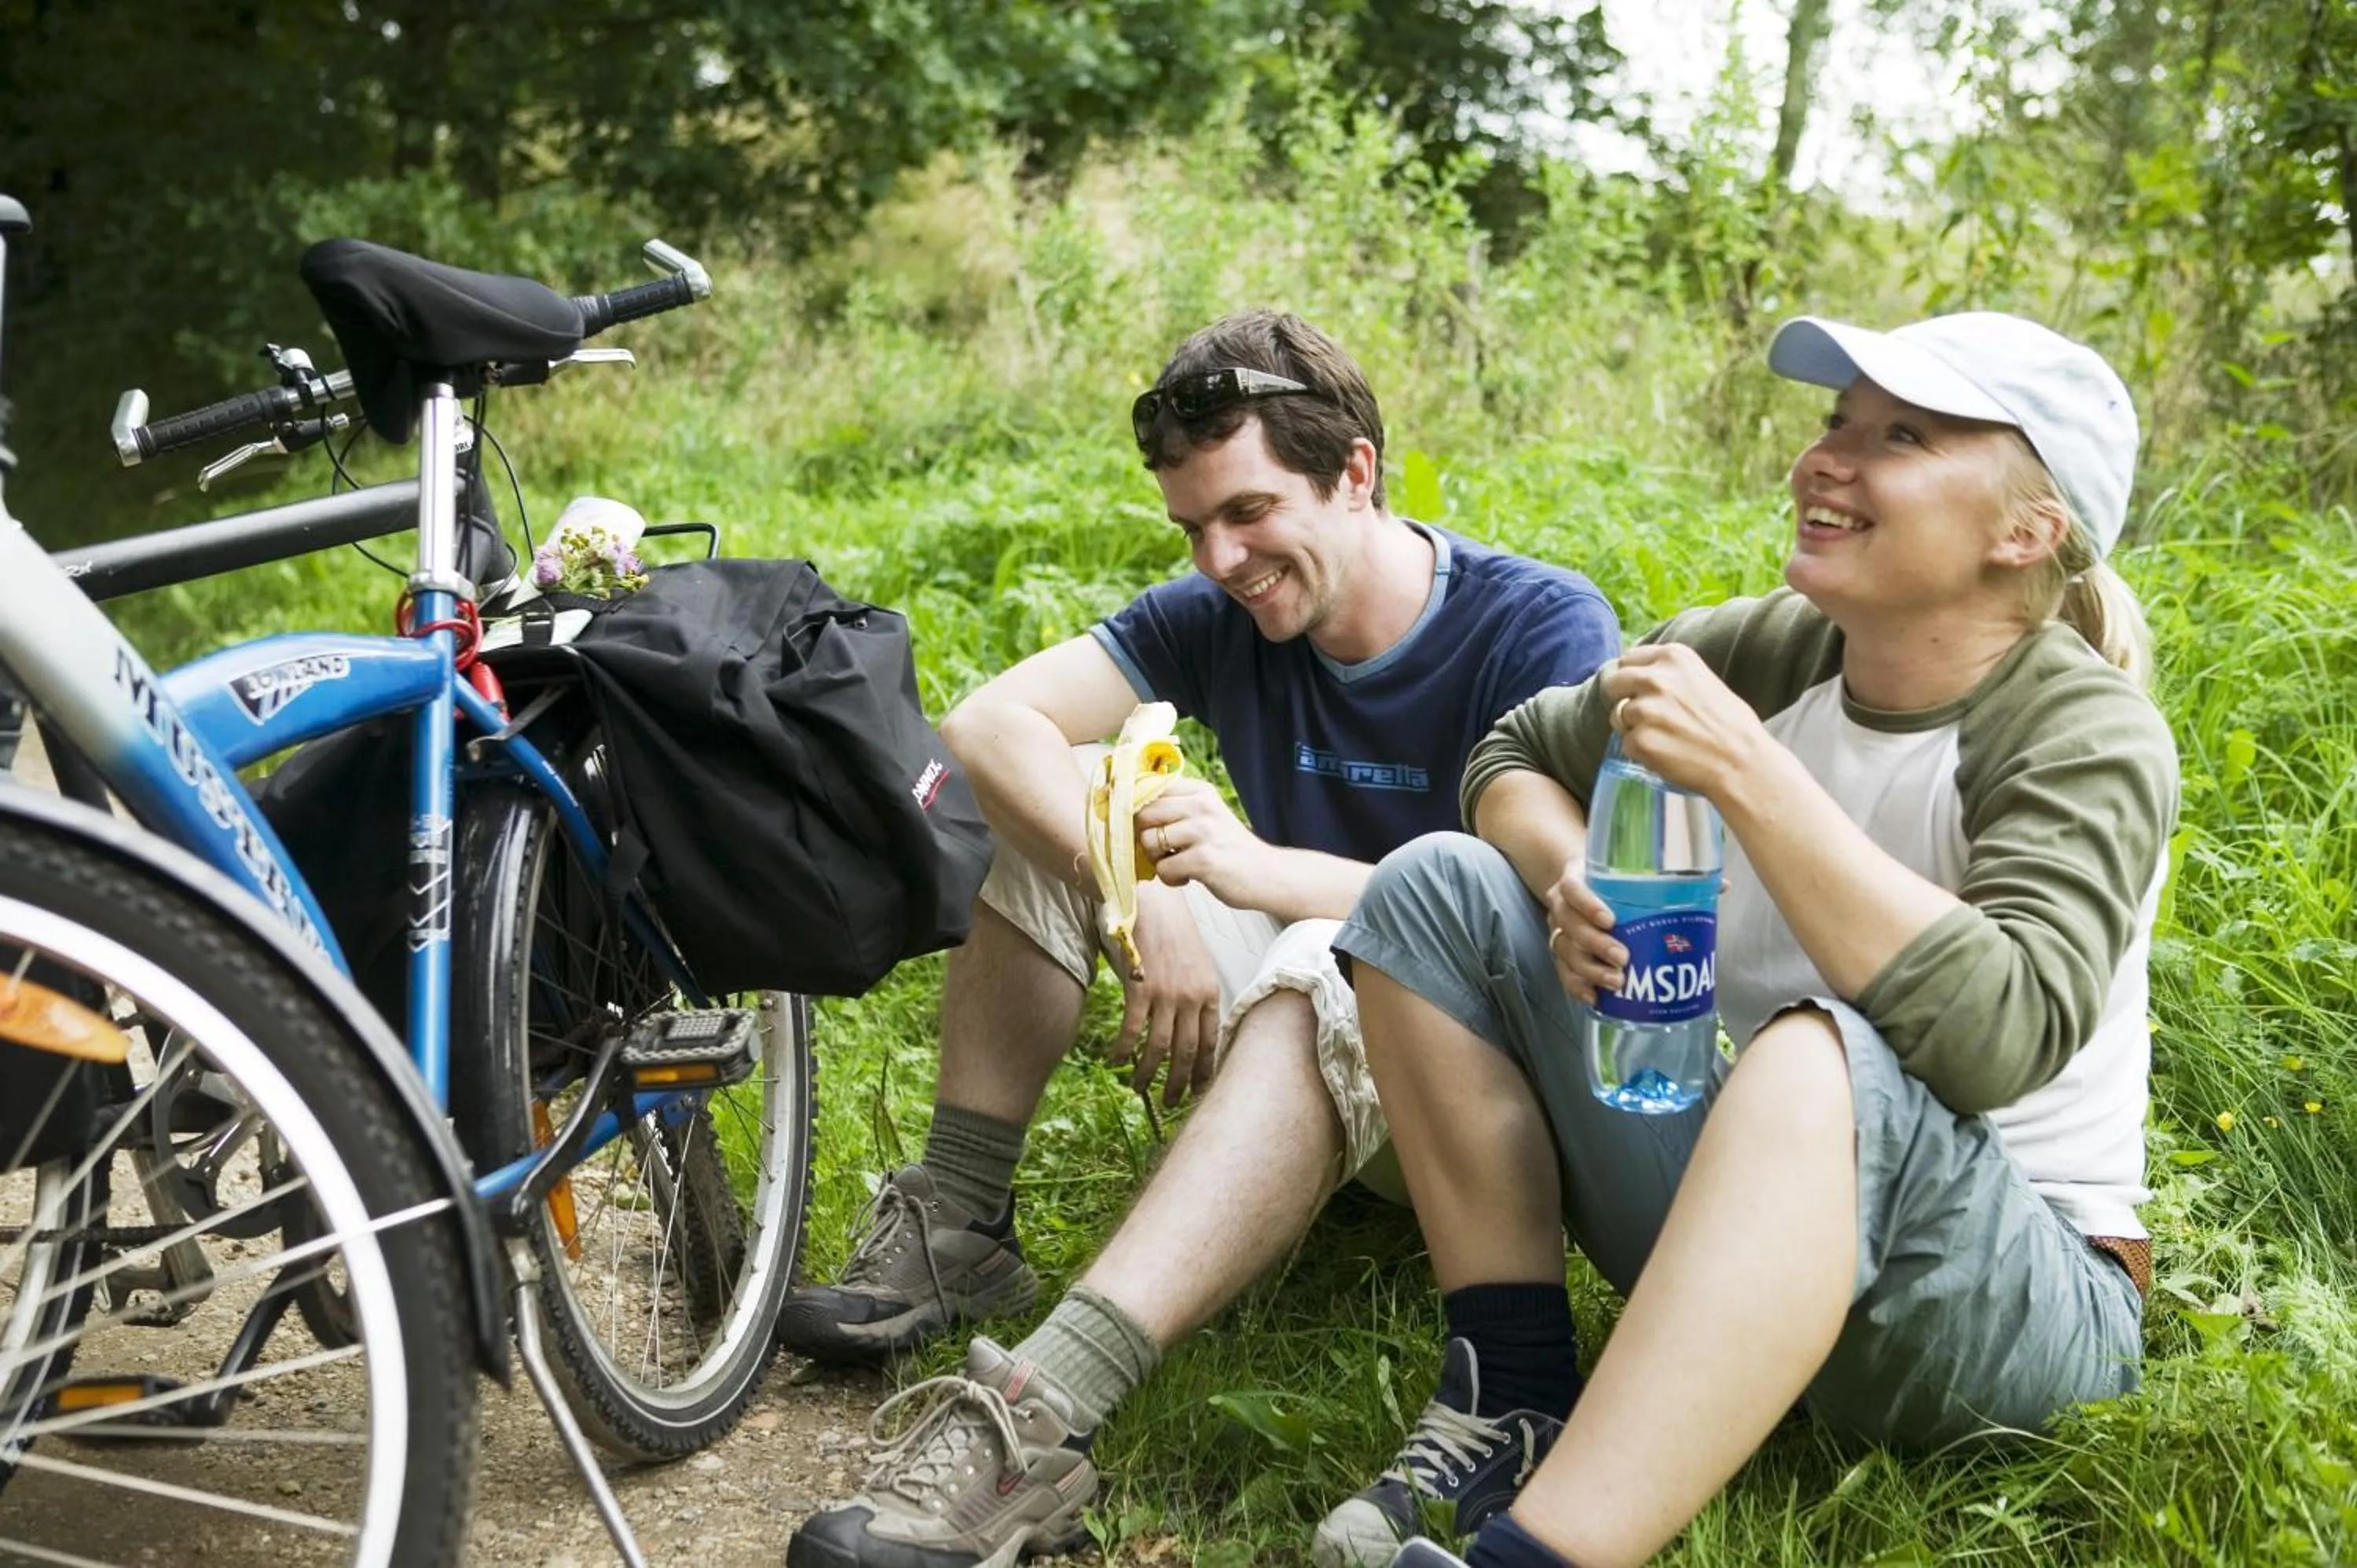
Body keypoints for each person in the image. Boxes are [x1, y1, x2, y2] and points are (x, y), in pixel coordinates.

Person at [1322, 311, 2176, 1568]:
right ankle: (1513, 1398)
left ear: (2025, 532)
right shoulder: (1767, 649)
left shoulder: (2080, 732)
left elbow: (1998, 1039)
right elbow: (1509, 758)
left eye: (1900, 436)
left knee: (1818, 1047)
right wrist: (1570, 885)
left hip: (2013, 1299)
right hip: (1756, 1216)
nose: (1828, 458)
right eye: (1835, 423)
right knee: (1433, 888)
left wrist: (1751, 776)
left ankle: (1536, 1556)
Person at [781, 311, 1622, 1567]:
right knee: (1051, 790)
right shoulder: (1224, 610)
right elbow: (986, 724)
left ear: (1356, 472)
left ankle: (1043, 1412)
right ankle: (959, 1227)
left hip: (1481, 1093)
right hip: (1309, 1019)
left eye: (1248, 513)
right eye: (1192, 528)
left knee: (1346, 943)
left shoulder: (1536, 624)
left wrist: (1252, 870)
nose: (1221, 558)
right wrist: (1142, 894)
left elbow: (1524, 902)